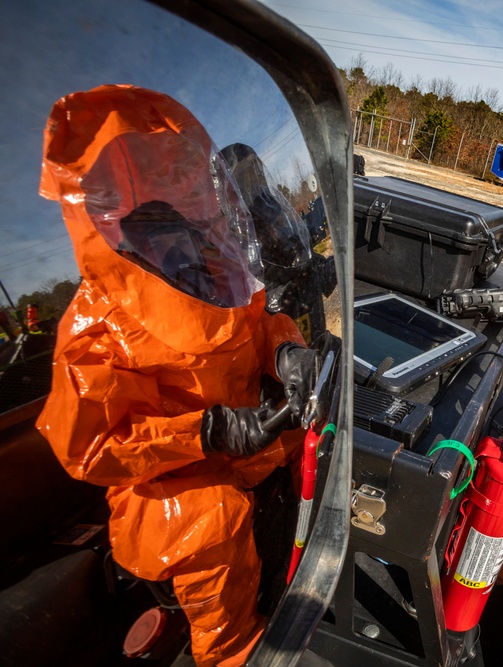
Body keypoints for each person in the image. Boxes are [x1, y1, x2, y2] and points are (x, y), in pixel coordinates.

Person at [35, 84, 319, 666]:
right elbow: (89, 446)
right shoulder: (96, 326)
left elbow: (255, 324)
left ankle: (306, 566)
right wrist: (206, 432)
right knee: (207, 522)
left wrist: (286, 352)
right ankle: (232, 650)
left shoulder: (203, 259)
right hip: (165, 485)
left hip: (243, 443)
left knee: (318, 436)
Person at [218, 142, 337, 343]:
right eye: (248, 173)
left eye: (257, 170)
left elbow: (312, 274)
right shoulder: (233, 244)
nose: (256, 178)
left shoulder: (278, 215)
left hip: (312, 343)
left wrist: (341, 264)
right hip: (279, 355)